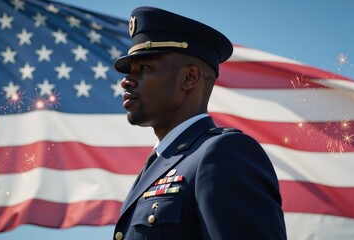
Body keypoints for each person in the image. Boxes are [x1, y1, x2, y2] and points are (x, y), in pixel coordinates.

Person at [112, 6, 287, 240]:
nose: (126, 82)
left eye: (144, 68)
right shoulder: (158, 166)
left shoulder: (222, 154)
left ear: (189, 77)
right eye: (130, 71)